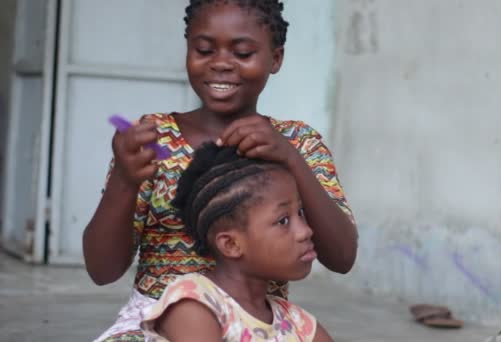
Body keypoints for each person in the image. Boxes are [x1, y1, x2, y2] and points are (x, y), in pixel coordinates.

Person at [82, 1, 357, 340]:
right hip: (165, 327)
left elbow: (342, 257)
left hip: (258, 324)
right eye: (204, 50)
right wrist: (124, 181)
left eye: (242, 53)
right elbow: (102, 270)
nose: (221, 64)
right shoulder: (154, 139)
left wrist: (291, 160)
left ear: (276, 59)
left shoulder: (298, 143)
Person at [140, 143, 333, 341]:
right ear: (231, 244)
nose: (306, 231)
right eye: (283, 220)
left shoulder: (298, 324)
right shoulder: (194, 303)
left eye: (301, 213)